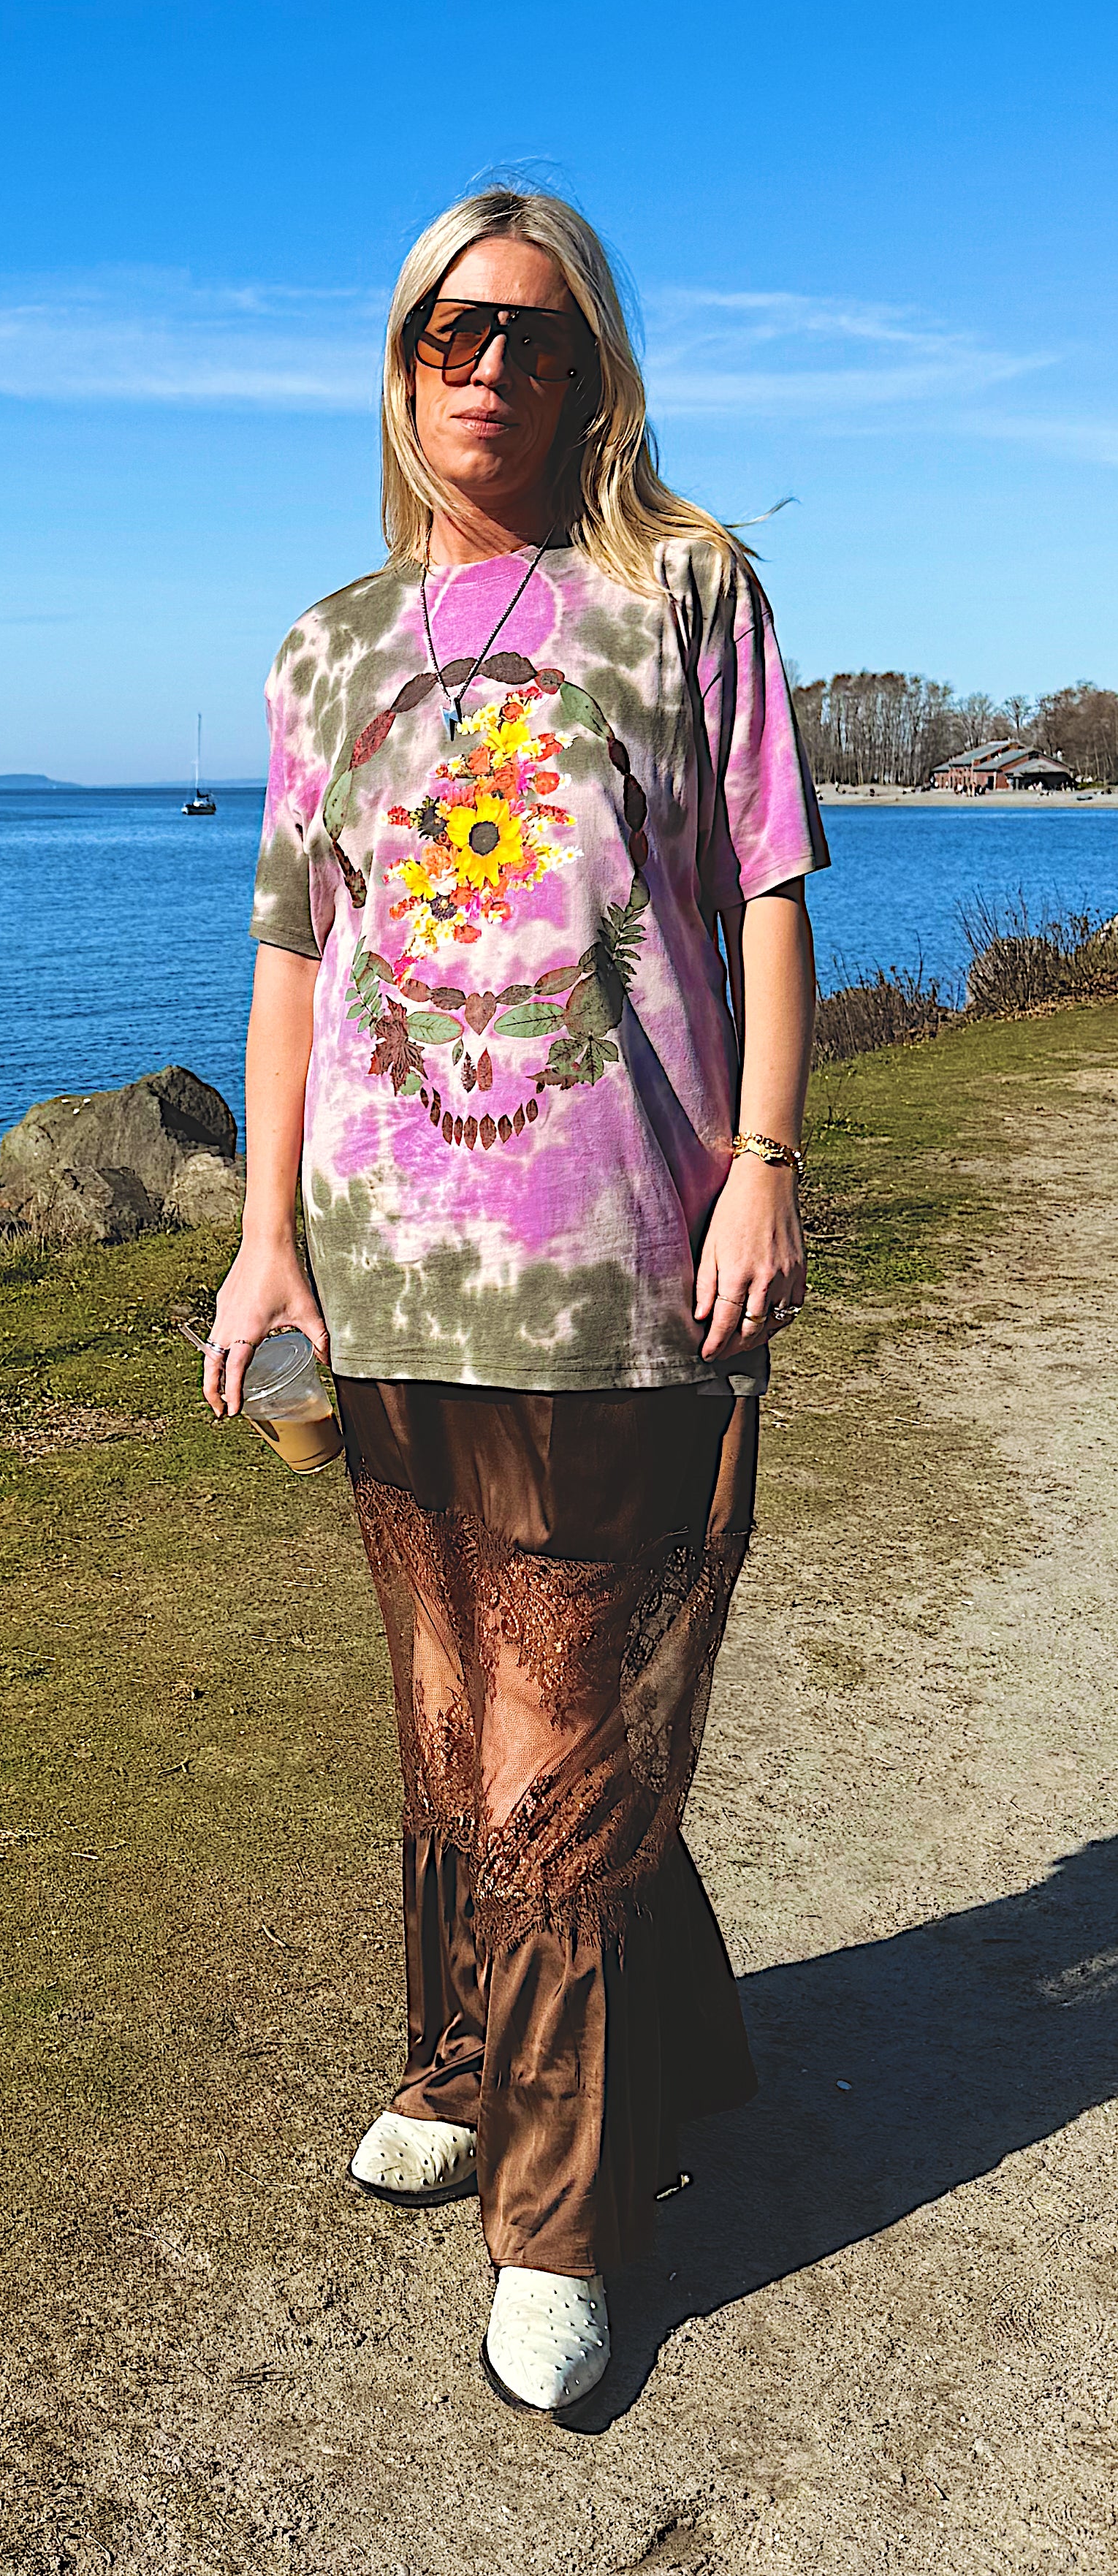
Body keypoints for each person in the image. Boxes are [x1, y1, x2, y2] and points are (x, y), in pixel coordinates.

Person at [204, 184, 827, 2417]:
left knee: (559, 1729)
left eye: (533, 336)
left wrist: (765, 1163)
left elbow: (768, 890)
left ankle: (563, 2216)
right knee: (456, 1708)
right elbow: (299, 956)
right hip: (390, 1269)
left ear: (594, 373)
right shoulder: (328, 649)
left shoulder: (686, 590)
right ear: (399, 366)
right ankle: (477, 2056)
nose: (488, 369)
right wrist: (266, 1232)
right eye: (448, 333)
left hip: (620, 1271)